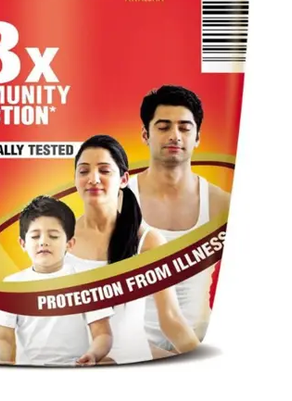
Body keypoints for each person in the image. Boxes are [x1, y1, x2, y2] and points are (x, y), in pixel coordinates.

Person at [69, 135, 199, 363]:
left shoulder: (147, 241)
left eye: (104, 170)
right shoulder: (58, 237)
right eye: (84, 171)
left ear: (123, 179)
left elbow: (170, 318)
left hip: (133, 367)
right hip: (75, 365)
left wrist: (203, 361)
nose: (93, 178)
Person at [131, 84, 231, 354]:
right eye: (163, 127)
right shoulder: (118, 201)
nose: (175, 136)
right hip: (132, 347)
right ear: (145, 134)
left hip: (197, 342)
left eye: (185, 128)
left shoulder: (221, 204)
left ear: (197, 137)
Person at [0, 195, 113, 366]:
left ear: (69, 244)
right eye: (35, 236)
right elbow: (3, 337)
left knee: (109, 363)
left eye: (53, 236)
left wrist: (93, 354)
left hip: (75, 367)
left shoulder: (85, 281)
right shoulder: (11, 285)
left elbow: (103, 334)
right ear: (22, 243)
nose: (43, 242)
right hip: (30, 371)